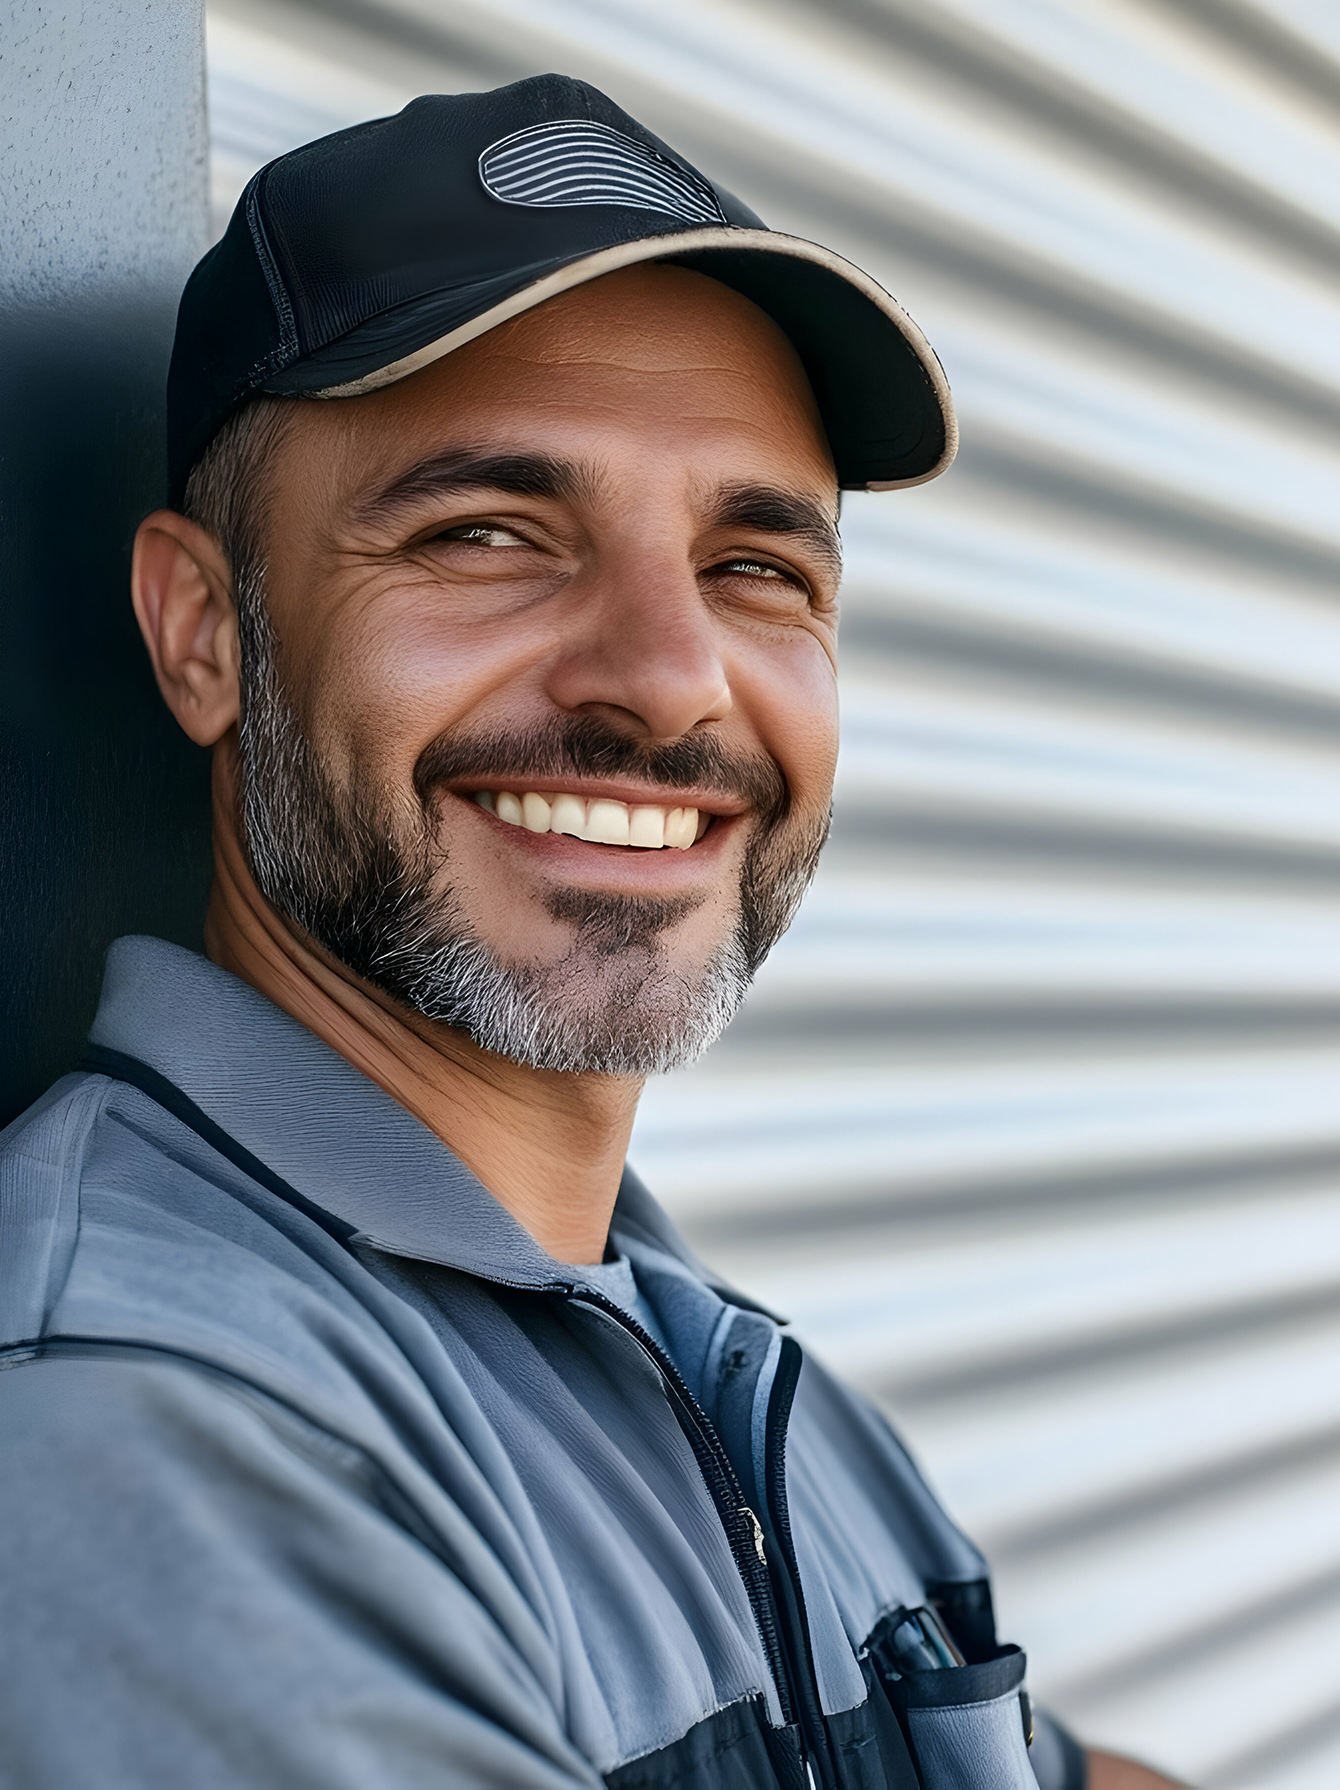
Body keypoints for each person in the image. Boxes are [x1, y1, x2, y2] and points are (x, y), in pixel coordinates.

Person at [0, 75, 1179, 1790]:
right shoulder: (146, 1418)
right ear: (203, 634)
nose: (668, 674)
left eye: (756, 564)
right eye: (488, 533)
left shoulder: (676, 1333)